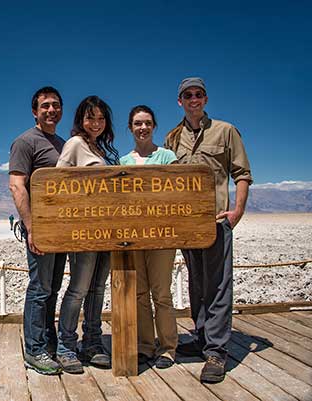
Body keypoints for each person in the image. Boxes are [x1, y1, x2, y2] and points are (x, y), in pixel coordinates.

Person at [165, 77, 252, 383]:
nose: (193, 99)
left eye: (198, 94)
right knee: (197, 285)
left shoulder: (225, 131)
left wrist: (237, 211)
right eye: (187, 95)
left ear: (205, 98)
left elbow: (241, 173)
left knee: (217, 285)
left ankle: (216, 351)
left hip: (216, 221)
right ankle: (202, 339)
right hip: (187, 224)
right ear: (180, 101)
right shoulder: (173, 138)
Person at [55, 96, 119, 374]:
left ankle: (92, 342)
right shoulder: (75, 145)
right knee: (79, 288)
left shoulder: (100, 150)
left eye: (101, 118)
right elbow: (57, 183)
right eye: (91, 117)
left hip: (107, 230)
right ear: (81, 120)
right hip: (83, 231)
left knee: (97, 288)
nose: (96, 123)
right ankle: (66, 345)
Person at [9, 86, 67, 375]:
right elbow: (17, 185)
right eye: (45, 106)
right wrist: (31, 228)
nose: (50, 110)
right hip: (40, 229)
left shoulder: (63, 144)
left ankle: (48, 342)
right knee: (39, 288)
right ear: (35, 111)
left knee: (53, 289)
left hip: (61, 230)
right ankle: (34, 350)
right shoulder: (25, 142)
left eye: (55, 105)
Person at [121, 105, 178, 369]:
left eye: (147, 123)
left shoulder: (167, 157)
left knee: (162, 293)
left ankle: (167, 348)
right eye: (137, 123)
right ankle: (145, 345)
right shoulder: (123, 163)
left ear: (154, 126)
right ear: (130, 128)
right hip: (134, 237)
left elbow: (178, 192)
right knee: (140, 293)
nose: (142, 128)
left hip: (162, 236)